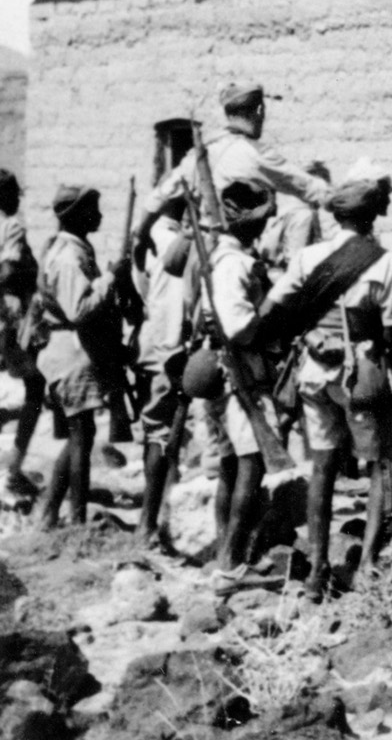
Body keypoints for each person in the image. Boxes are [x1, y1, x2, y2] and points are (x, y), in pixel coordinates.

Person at [258, 163, 392, 602]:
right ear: (371, 218)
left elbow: (273, 308)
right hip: (361, 375)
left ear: (335, 216)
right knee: (380, 464)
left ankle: (317, 570)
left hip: (312, 373)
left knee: (322, 467)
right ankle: (366, 568)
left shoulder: (307, 257)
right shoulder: (386, 263)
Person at [28, 185, 129, 531]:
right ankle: (76, 519)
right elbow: (79, 309)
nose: (100, 216)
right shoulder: (69, 258)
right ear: (79, 215)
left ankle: (50, 514)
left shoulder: (67, 249)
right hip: (70, 351)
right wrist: (111, 279)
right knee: (81, 438)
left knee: (78, 436)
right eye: (94, 209)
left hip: (67, 351)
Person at [198, 178, 282, 588]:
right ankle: (231, 563)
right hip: (241, 373)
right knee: (251, 464)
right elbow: (239, 327)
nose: (265, 228)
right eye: (260, 221)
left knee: (233, 466)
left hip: (228, 372)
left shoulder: (223, 258)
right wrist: (273, 314)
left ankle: (227, 556)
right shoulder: (234, 265)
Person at [139, 82, 331, 247]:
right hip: (234, 250)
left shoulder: (199, 153)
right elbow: (308, 187)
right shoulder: (256, 154)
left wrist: (141, 238)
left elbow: (158, 197)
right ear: (260, 111)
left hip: (200, 253)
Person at [132, 195, 192, 552]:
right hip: (170, 350)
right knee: (163, 433)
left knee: (156, 432)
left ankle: (153, 518)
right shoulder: (176, 243)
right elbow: (175, 303)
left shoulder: (152, 240)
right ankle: (149, 522)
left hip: (153, 345)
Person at [0, 169, 44, 497]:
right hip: (12, 319)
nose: (19, 200)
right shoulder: (10, 225)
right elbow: (9, 267)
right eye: (15, 193)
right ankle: (12, 472)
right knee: (35, 389)